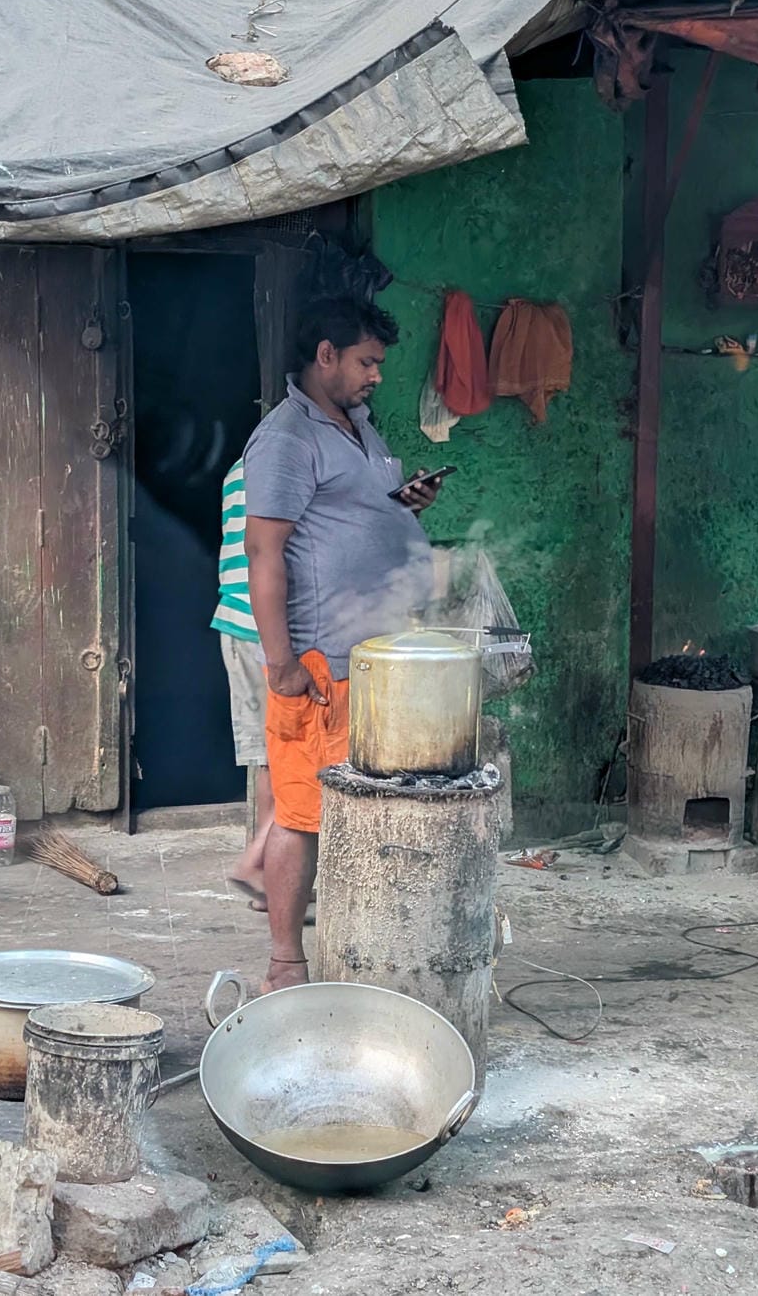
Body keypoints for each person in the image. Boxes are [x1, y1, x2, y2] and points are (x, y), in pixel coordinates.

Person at [243, 295, 441, 993]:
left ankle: (365, 950)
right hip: (322, 662)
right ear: (325, 355)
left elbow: (361, 515)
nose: (376, 376)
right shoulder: (286, 438)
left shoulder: (360, 425)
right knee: (301, 815)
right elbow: (264, 552)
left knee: (368, 807)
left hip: (379, 659)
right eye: (366, 362)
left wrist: (407, 505)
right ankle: (285, 965)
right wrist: (282, 663)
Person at [211, 453, 274, 908]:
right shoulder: (292, 464)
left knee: (270, 759)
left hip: (236, 622)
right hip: (271, 628)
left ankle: (269, 877)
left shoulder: (239, 469)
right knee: (304, 755)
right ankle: (257, 863)